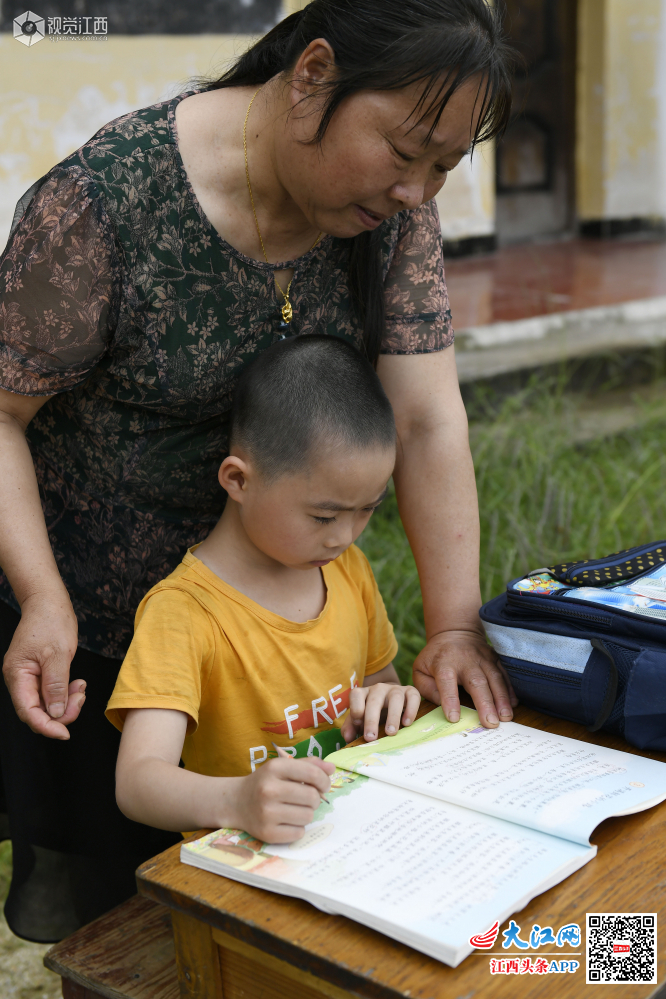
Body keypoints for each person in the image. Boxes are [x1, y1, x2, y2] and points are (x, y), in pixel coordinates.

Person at [0, 0, 516, 939]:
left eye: (445, 165)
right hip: (111, 645)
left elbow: (430, 418)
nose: (419, 191)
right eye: (405, 153)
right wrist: (42, 597)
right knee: (132, 926)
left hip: (286, 650)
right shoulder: (101, 207)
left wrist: (452, 626)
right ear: (313, 75)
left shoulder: (390, 221)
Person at [107, 336, 421, 840]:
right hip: (247, 877)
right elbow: (138, 782)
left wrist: (390, 704)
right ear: (238, 479)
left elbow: (379, 684)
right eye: (323, 515)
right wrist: (236, 800)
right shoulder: (184, 613)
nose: (344, 536)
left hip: (362, 845)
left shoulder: (347, 571)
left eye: (368, 509)